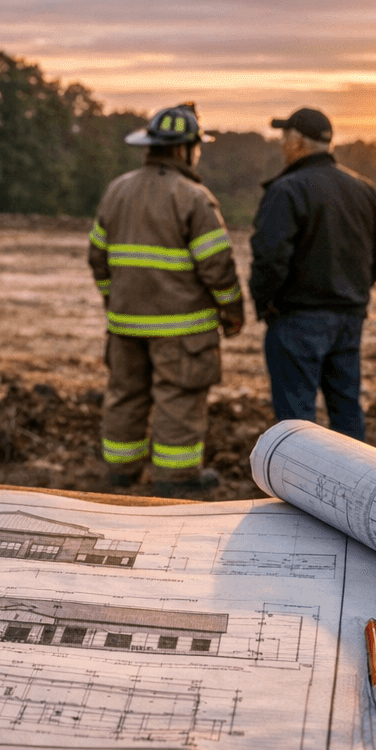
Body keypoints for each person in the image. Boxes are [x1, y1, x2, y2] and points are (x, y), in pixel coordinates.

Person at [88, 103, 246, 496]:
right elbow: (218, 266)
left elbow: (97, 257)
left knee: (126, 395)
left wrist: (113, 301)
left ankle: (121, 472)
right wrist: (232, 311)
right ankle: (177, 479)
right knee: (179, 399)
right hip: (182, 331)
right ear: (182, 149)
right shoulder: (194, 198)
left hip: (125, 326)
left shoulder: (117, 190)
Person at [249, 107, 376, 440]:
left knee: (296, 425)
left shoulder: (287, 190)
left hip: (297, 319)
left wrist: (265, 303)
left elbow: (270, 257)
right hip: (348, 319)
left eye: (285, 138)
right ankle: (355, 474)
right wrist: (354, 288)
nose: (282, 145)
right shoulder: (363, 189)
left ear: (298, 142)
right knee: (347, 411)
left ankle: (297, 476)